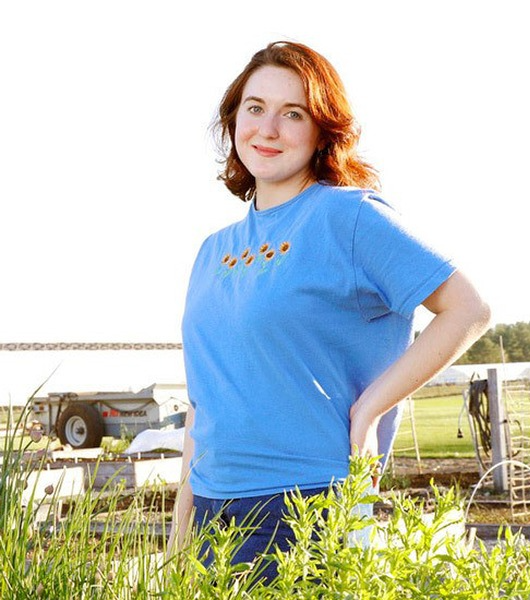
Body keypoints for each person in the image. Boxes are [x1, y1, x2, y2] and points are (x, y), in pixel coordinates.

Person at [168, 40, 491, 581]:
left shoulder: (348, 217)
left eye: (292, 114)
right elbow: (204, 404)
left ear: (322, 130)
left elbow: (468, 309)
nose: (267, 129)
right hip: (212, 514)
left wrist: (370, 409)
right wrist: (179, 537)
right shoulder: (212, 250)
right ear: (233, 121)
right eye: (255, 108)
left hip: (307, 507)